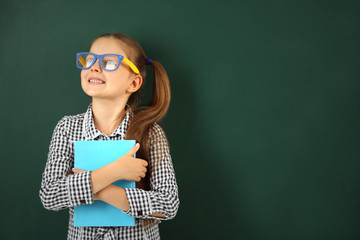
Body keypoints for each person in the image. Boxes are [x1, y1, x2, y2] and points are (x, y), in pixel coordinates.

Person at [39, 33, 179, 239]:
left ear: (133, 83)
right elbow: (50, 195)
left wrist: (98, 189)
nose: (94, 67)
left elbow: (168, 204)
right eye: (90, 59)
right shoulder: (67, 128)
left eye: (109, 62)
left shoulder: (150, 133)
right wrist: (115, 171)